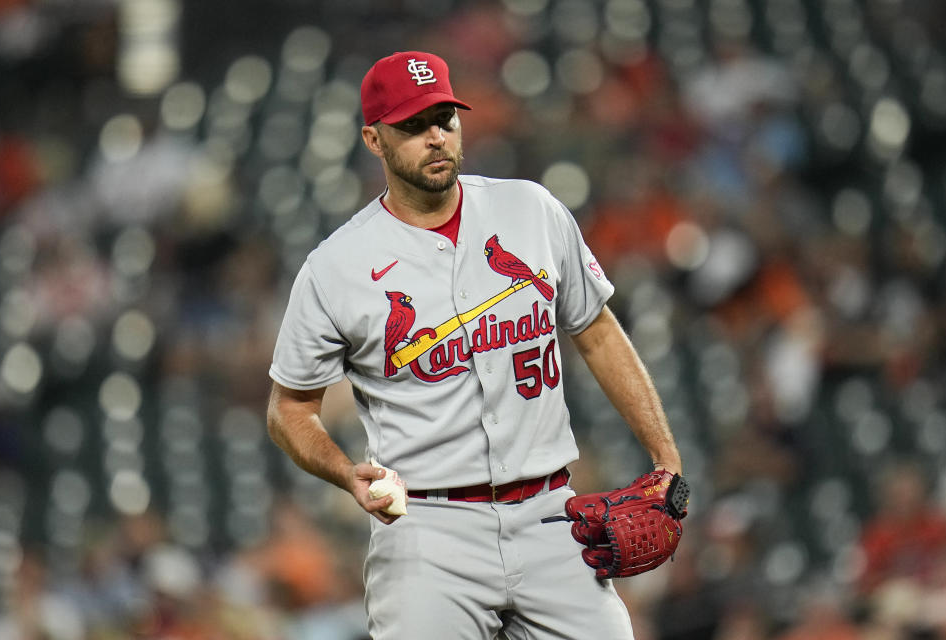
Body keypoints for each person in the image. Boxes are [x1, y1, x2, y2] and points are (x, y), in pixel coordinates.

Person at [266, 50, 683, 639]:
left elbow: (596, 331)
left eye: (444, 119)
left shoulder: (531, 210)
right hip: (427, 530)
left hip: (550, 516)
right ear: (373, 139)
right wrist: (344, 472)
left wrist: (667, 457)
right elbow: (289, 408)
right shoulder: (336, 266)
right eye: (412, 125)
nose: (435, 137)